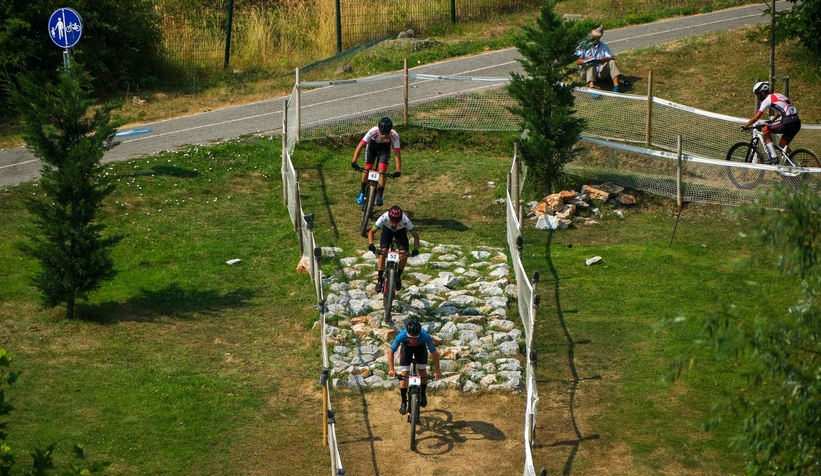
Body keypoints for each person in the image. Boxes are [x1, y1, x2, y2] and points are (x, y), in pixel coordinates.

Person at [387, 318, 442, 414]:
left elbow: (434, 353)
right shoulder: (401, 335)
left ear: (419, 335)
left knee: (422, 370)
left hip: (420, 349)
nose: (412, 340)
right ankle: (403, 402)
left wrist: (437, 370)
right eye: (410, 338)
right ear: (407, 334)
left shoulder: (425, 336)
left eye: (415, 338)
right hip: (406, 349)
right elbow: (391, 352)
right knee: (405, 373)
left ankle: (423, 394)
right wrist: (391, 369)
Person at [741, 81, 802, 164]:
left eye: (757, 94)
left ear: (762, 92)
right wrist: (772, 120)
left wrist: (746, 125)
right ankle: (796, 165)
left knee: (765, 130)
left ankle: (773, 157)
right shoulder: (778, 95)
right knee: (782, 146)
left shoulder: (767, 99)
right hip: (796, 122)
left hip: (787, 121)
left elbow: (756, 117)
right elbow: (783, 109)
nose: (757, 97)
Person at [367, 205, 420, 293]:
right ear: (389, 218)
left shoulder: (405, 220)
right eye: (393, 221)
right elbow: (371, 232)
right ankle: (380, 280)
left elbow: (416, 236)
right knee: (383, 252)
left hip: (400, 233)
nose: (394, 224)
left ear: (401, 219)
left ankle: (398, 277)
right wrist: (371, 244)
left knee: (404, 254)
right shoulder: (384, 217)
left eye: (397, 222)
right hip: (387, 231)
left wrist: (415, 249)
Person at [351, 117, 401, 207]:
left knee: (382, 171)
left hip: (385, 148)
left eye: (386, 134)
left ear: (390, 131)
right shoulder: (373, 131)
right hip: (373, 145)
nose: (384, 136)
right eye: (382, 133)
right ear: (379, 129)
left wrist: (398, 170)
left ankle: (380, 196)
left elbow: (397, 153)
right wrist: (354, 161)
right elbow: (360, 145)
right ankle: (362, 192)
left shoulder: (394, 135)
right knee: (367, 167)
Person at [575, 26, 628, 93]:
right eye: (593, 36)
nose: (594, 38)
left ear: (600, 37)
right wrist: (586, 60)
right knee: (591, 63)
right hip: (586, 72)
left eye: (597, 37)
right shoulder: (583, 45)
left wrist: (605, 59)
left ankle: (616, 87)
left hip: (599, 73)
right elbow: (577, 61)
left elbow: (612, 57)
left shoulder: (604, 46)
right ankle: (592, 88)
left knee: (611, 62)